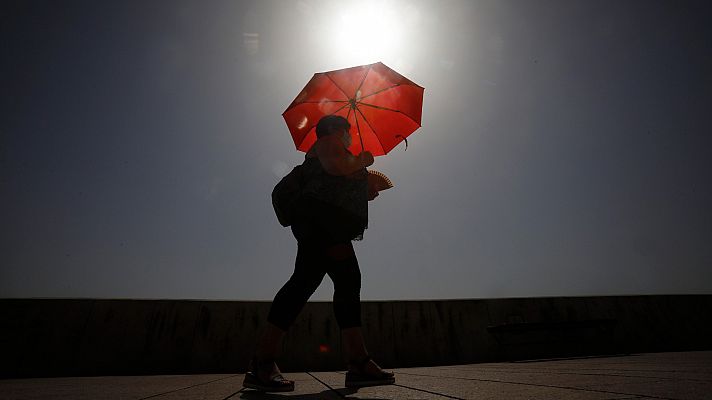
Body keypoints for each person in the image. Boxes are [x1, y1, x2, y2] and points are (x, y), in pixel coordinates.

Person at [243, 115, 395, 392]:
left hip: (324, 222)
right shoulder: (327, 142)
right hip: (321, 222)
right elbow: (333, 167)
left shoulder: (335, 147)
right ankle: (264, 362)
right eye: (347, 130)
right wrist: (364, 160)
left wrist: (364, 187)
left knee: (325, 282)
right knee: (319, 283)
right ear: (336, 129)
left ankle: (356, 361)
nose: (349, 135)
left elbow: (337, 178)